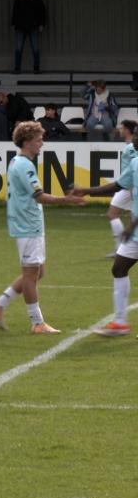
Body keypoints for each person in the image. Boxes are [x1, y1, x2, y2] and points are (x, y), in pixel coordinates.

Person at [0, 122, 85, 334]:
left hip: (26, 224)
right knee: (31, 275)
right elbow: (39, 196)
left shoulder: (16, 161)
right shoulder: (25, 166)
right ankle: (37, 322)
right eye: (39, 140)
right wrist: (67, 200)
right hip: (28, 225)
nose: (42, 143)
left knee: (37, 272)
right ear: (27, 142)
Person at [70, 127, 138, 336]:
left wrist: (131, 225)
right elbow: (118, 185)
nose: (134, 139)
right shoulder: (135, 162)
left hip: (134, 228)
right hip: (135, 232)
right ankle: (120, 323)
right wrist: (86, 191)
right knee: (119, 268)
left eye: (137, 135)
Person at [104, 121, 138, 254]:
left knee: (112, 213)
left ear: (128, 130)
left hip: (128, 187)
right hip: (129, 185)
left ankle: (120, 246)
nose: (120, 130)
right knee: (132, 216)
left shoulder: (131, 148)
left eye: (122, 128)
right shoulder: (129, 146)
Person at [11, 0, 46, 74]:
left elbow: (42, 12)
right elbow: (15, 11)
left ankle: (36, 68)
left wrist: (41, 24)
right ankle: (17, 68)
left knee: (35, 48)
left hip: (33, 26)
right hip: (20, 26)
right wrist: (14, 23)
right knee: (18, 48)